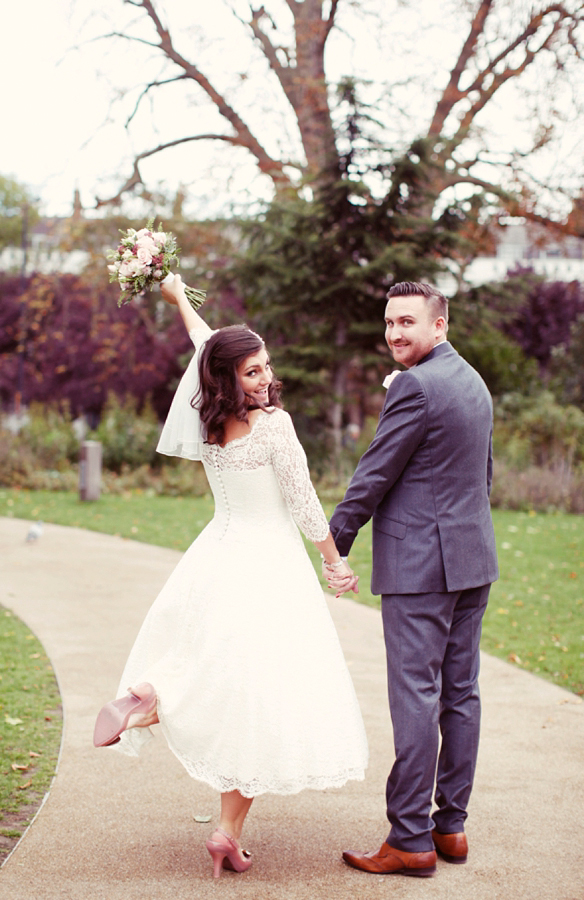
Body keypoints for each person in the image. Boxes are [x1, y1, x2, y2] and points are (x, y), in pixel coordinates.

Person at [93, 275, 368, 878]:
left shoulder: (212, 416)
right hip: (268, 569)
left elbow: (205, 341)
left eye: (266, 364)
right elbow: (303, 504)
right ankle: (151, 708)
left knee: (232, 683)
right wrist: (335, 561)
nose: (265, 377)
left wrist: (176, 296)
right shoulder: (273, 426)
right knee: (259, 697)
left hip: (216, 554)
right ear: (228, 377)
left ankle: (222, 825)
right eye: (252, 372)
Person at [326, 281, 498, 878]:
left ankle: (409, 838)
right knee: (461, 693)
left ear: (439, 326)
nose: (395, 333)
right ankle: (450, 828)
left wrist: (332, 545)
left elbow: (373, 474)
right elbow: (484, 474)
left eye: (407, 322)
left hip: (421, 566)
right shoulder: (472, 380)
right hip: (471, 560)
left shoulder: (415, 387)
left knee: (417, 697)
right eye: (389, 322)